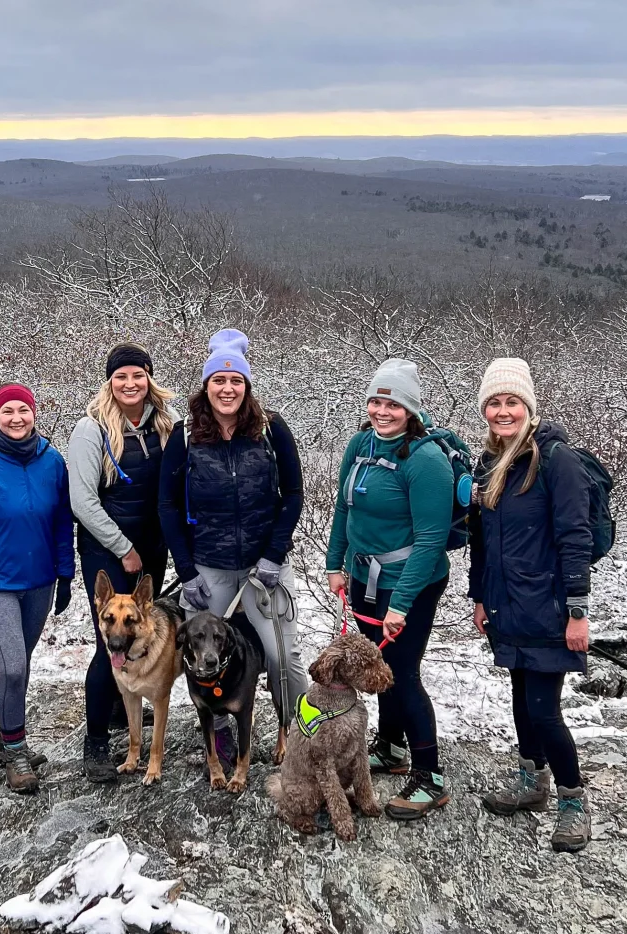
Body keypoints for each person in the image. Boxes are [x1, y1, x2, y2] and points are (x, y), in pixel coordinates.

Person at [159, 329, 309, 777]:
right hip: (207, 566)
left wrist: (274, 555)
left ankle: (300, 734)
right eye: (219, 381)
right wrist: (185, 572)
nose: (227, 389)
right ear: (206, 387)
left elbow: (294, 493)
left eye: (236, 381)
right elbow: (166, 504)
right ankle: (220, 731)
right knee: (200, 654)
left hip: (266, 564)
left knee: (282, 657)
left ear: (247, 387)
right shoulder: (185, 436)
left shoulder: (270, 429)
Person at [469, 356, 594, 852]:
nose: (503, 411)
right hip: (506, 605)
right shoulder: (490, 462)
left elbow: (575, 535)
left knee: (544, 710)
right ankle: (531, 781)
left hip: (549, 607)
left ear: (528, 406)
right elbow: (483, 540)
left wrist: (578, 611)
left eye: (512, 402)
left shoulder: (555, 460)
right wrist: (479, 596)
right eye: (494, 403)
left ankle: (573, 801)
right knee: (521, 701)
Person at [325, 359, 456, 822]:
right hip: (363, 577)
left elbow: (430, 540)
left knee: (401, 672)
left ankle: (429, 776)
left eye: (393, 404)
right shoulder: (360, 445)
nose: (382, 411)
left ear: (410, 409)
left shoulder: (425, 461)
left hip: (410, 583)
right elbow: (346, 509)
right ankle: (391, 746)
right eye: (376, 401)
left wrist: (401, 603)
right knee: (375, 667)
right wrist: (334, 563)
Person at [0, 382, 73, 795]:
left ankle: (8, 737)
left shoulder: (53, 462)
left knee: (19, 669)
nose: (16, 418)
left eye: (23, 410)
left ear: (34, 413)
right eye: (8, 412)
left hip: (39, 582)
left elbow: (62, 521)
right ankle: (16, 750)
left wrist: (65, 573)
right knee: (14, 667)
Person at [68, 344, 176, 784]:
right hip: (105, 548)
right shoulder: (91, 429)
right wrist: (122, 547)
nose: (130, 384)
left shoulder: (165, 427)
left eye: (138, 375)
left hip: (152, 546)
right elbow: (82, 500)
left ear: (149, 378)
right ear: (109, 382)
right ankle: (96, 743)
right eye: (121, 377)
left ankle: (121, 710)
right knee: (109, 642)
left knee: (140, 629)